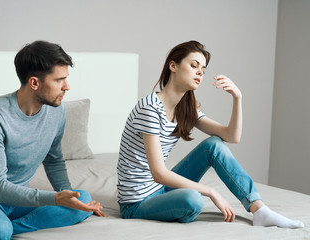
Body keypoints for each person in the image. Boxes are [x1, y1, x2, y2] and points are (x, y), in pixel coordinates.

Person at [117, 40, 304, 228]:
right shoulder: (149, 109)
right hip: (137, 203)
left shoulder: (185, 109)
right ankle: (180, 205)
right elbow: (159, 174)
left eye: (203, 70)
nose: (200, 72)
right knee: (193, 199)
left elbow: (231, 137)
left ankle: (260, 210)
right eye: (194, 66)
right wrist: (210, 192)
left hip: (161, 190)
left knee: (213, 144)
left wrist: (237, 98)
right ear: (173, 66)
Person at [0, 40, 106, 239]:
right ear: (34, 82)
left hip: (15, 198)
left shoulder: (58, 110)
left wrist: (69, 197)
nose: (67, 87)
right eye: (59, 80)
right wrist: (57, 199)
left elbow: (54, 160)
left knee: (83, 199)